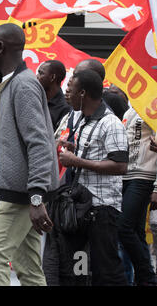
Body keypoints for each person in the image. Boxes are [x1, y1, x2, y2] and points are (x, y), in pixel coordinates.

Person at [0, 23, 59, 286]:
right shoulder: (12, 83)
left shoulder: (23, 85)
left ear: (0, 47)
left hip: (24, 195)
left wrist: (36, 197)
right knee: (29, 268)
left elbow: (39, 144)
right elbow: (14, 148)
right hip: (20, 190)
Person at [58, 69, 129, 285]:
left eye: (72, 90)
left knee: (106, 271)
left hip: (102, 209)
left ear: (83, 94)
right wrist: (72, 149)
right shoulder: (82, 120)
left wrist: (77, 161)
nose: (67, 94)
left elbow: (120, 165)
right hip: (80, 209)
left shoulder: (111, 123)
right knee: (78, 270)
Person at [118, 106, 157, 286]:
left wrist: (156, 187)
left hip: (144, 176)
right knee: (136, 232)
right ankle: (145, 281)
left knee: (123, 227)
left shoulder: (152, 103)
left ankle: (148, 276)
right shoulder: (130, 110)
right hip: (126, 175)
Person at [37, 60, 71, 131]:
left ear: (52, 77)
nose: (36, 77)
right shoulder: (35, 98)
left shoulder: (65, 108)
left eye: (41, 73)